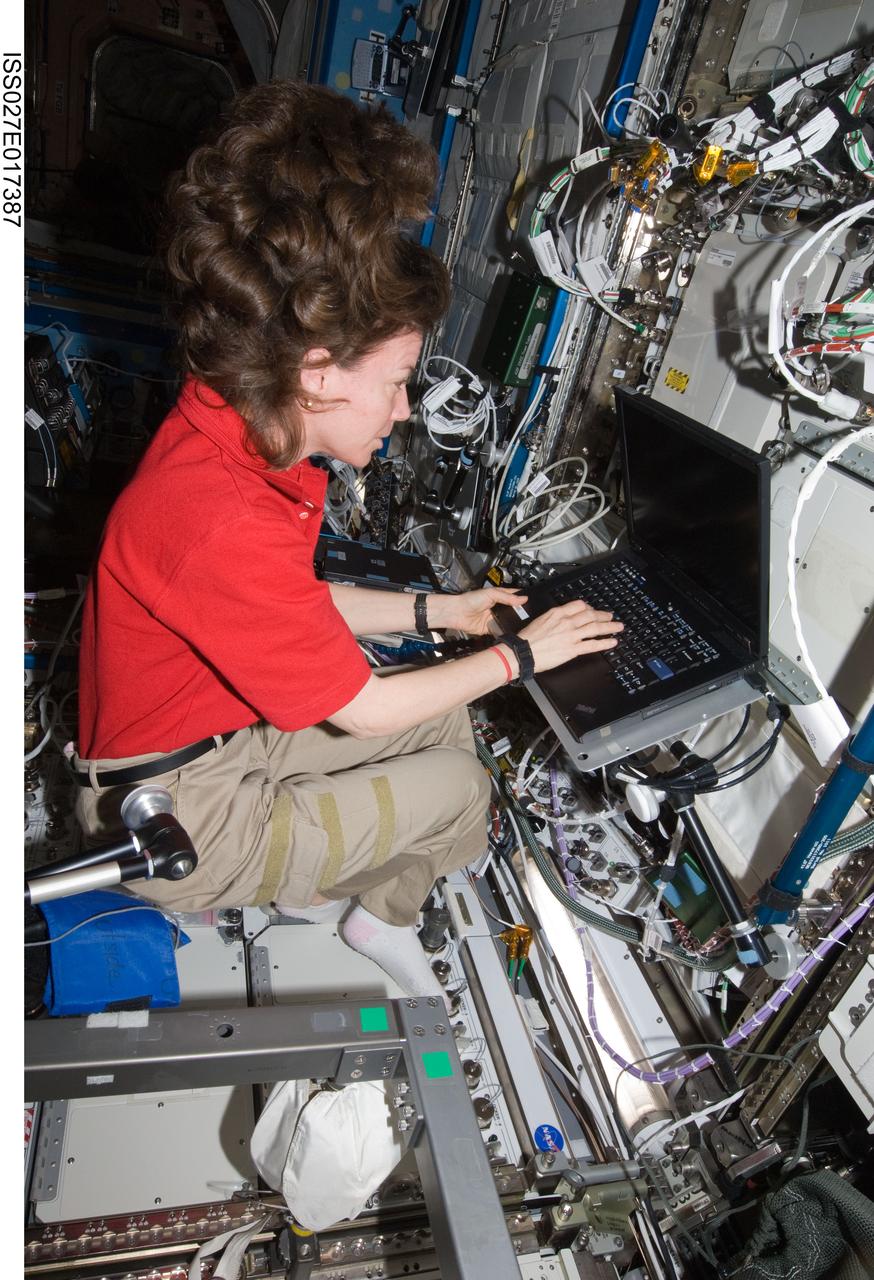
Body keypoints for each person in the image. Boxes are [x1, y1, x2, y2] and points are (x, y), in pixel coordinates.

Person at [74, 81, 622, 998]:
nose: (407, 412)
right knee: (463, 793)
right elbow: (361, 710)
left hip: (221, 745)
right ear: (320, 373)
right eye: (401, 382)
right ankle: (378, 918)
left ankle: (346, 891)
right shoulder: (213, 513)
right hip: (191, 819)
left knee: (447, 719)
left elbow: (288, 608)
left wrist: (438, 609)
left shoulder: (243, 426)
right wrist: (523, 656)